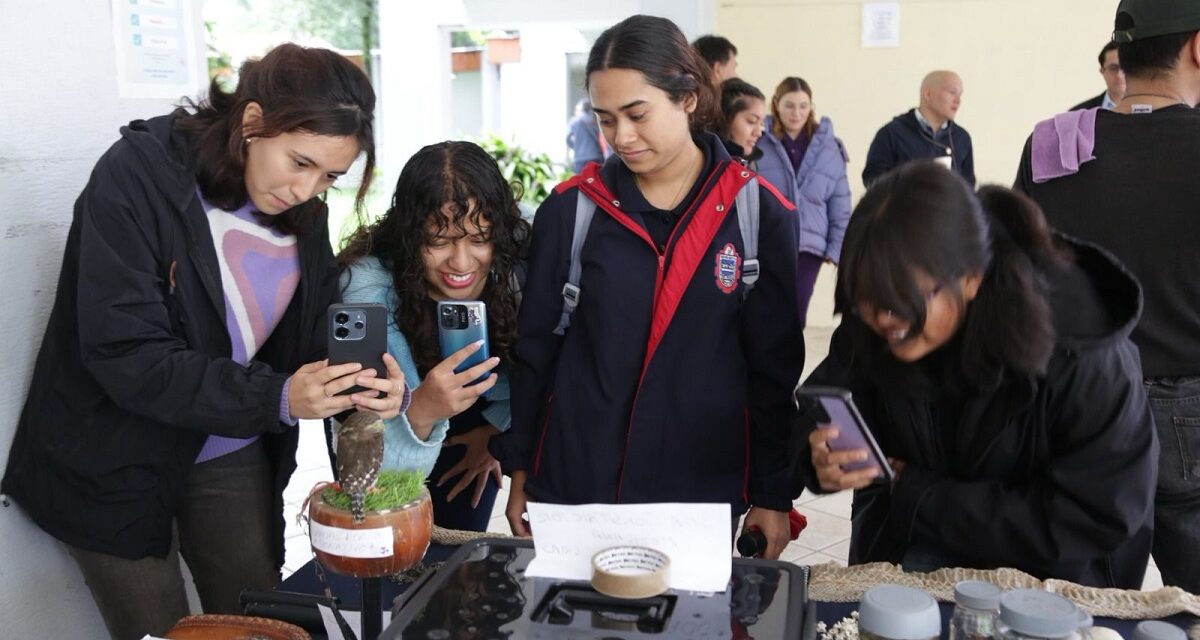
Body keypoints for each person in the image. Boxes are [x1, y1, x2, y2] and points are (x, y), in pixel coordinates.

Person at [0, 44, 404, 639]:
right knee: (160, 628)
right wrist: (279, 399)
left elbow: (301, 341)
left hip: (225, 441)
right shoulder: (138, 178)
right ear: (250, 123)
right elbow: (125, 352)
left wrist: (356, 386)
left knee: (259, 620)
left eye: (329, 178)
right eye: (299, 161)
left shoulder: (305, 215)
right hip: (114, 451)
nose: (306, 189)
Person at [492, 14, 805, 560]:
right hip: (578, 483)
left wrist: (772, 494)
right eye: (606, 119)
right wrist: (522, 465)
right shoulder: (573, 211)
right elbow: (536, 353)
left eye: (637, 114)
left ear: (687, 96)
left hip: (695, 489)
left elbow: (773, 371)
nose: (622, 138)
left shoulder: (758, 215)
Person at [793, 162, 1157, 589]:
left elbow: (1095, 515)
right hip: (913, 567)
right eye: (863, 302)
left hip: (1051, 584)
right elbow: (822, 404)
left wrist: (920, 494)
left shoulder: (1087, 357)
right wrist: (819, 459)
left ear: (970, 279)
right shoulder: (879, 318)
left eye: (897, 304)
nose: (880, 321)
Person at [1014, 0, 1200, 594]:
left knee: (1083, 606)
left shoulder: (1051, 146)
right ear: (1197, 48)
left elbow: (1019, 281)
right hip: (1189, 412)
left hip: (1079, 404)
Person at [337, 141, 527, 531]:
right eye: (438, 242)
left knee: (458, 558)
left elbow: (545, 372)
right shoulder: (367, 293)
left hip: (474, 436)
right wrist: (424, 407)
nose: (460, 263)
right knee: (381, 542)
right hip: (387, 427)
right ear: (409, 236)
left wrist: (495, 435)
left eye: (479, 239)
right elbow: (370, 457)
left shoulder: (519, 268)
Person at [755, 77, 851, 324]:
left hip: (809, 246)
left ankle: (788, 363)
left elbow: (840, 202)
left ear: (811, 107)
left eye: (803, 106)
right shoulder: (758, 141)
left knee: (796, 313)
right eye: (789, 105)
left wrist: (836, 248)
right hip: (767, 241)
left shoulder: (829, 147)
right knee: (766, 312)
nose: (796, 113)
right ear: (776, 104)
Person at [862, 70, 974, 187]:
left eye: (960, 95)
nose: (958, 101)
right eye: (952, 92)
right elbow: (872, 180)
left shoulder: (961, 138)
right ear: (928, 94)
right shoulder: (892, 134)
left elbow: (969, 187)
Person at [717, 77, 767, 164]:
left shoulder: (751, 164)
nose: (759, 133)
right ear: (724, 118)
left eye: (762, 123)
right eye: (752, 121)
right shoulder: (703, 163)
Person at [1071, 41, 1125, 110]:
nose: (1119, 75)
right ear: (1102, 71)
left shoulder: (1143, 110)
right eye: (1113, 68)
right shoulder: (1078, 114)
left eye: (1125, 67)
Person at [566, 99, 607, 173]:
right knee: (597, 181)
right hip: (596, 156)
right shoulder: (594, 121)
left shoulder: (574, 121)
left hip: (580, 158)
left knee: (580, 182)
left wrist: (576, 146)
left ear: (580, 109)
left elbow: (568, 139)